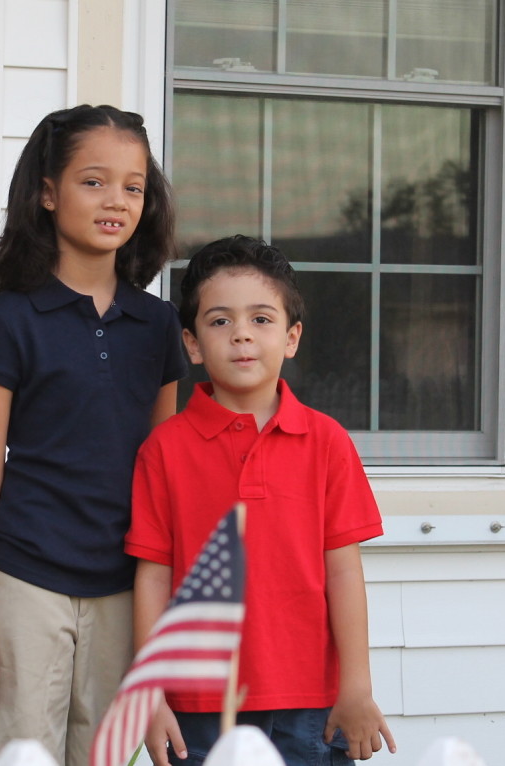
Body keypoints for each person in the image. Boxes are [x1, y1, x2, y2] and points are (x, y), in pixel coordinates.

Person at [0, 104, 188, 766]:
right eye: (93, 181)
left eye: (133, 186)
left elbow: (161, 478)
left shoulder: (160, 325)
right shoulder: (6, 320)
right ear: (47, 192)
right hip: (26, 583)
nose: (116, 200)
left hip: (124, 590)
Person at [126, 235, 397, 765]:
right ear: (193, 343)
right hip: (197, 705)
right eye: (220, 321)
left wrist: (357, 687)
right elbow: (153, 577)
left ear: (292, 337)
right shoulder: (165, 450)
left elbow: (343, 572)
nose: (242, 335)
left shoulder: (327, 443)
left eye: (262, 319)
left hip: (312, 706)